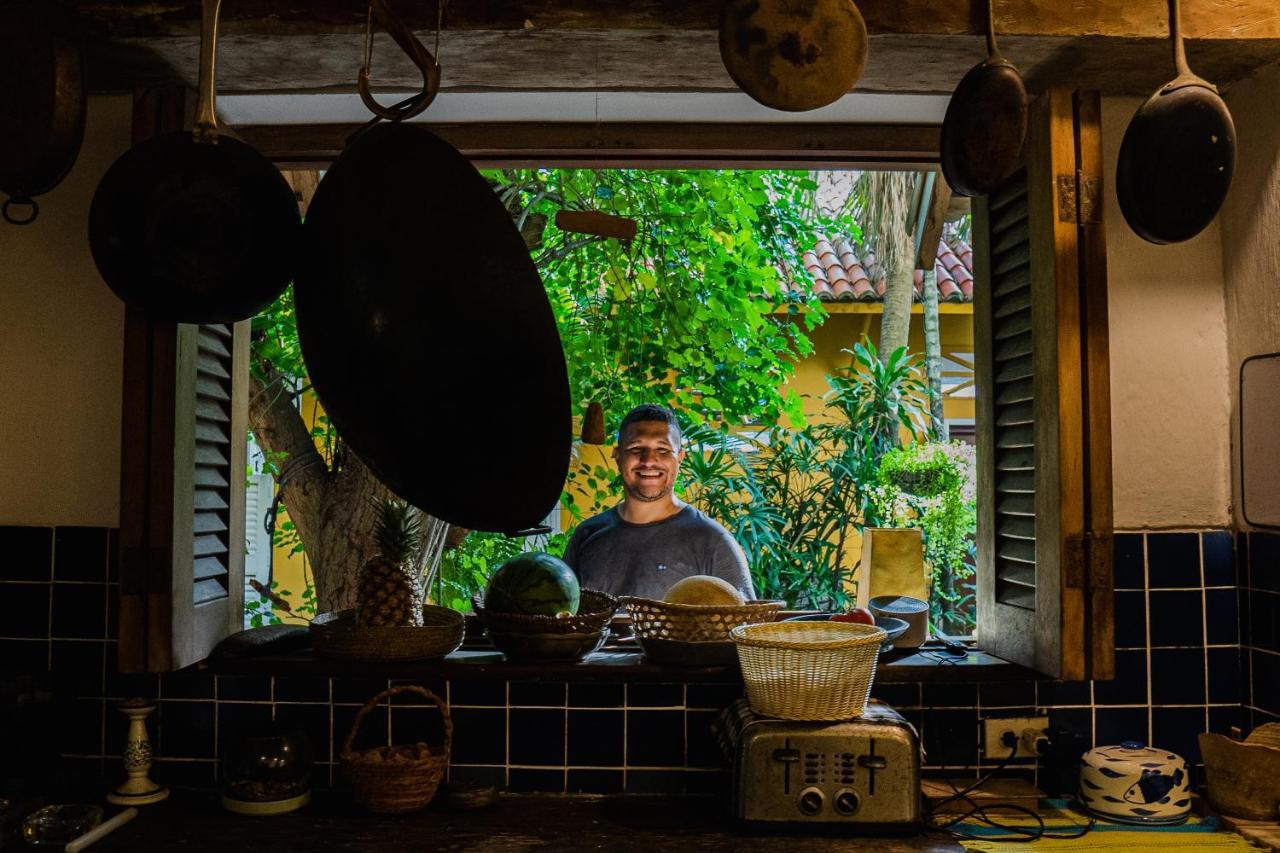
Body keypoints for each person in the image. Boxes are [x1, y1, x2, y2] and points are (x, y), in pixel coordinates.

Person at [562, 404, 756, 600]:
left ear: (679, 458)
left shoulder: (712, 541)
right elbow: (563, 617)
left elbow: (742, 626)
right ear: (618, 455)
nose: (648, 460)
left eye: (663, 450)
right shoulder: (587, 535)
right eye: (636, 448)